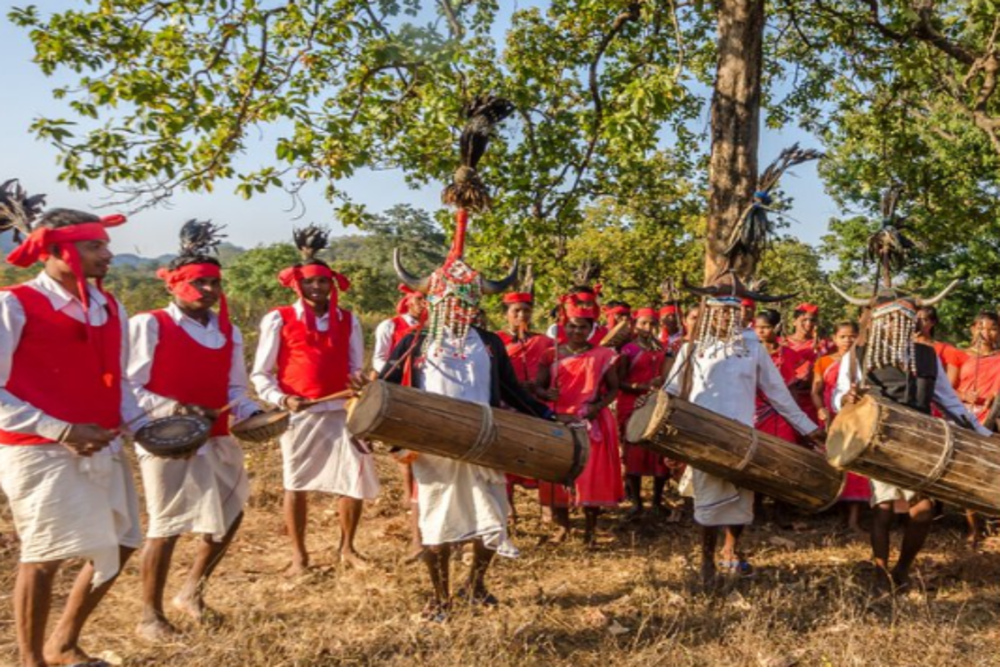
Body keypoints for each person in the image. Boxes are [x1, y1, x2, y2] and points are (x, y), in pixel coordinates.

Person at [0, 184, 148, 667]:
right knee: (44, 556)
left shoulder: (110, 306)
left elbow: (119, 381)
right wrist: (61, 429)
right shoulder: (15, 304)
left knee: (123, 542)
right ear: (60, 250)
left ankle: (64, 642)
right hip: (37, 450)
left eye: (106, 245)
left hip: (101, 445)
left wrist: (144, 425)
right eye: (95, 245)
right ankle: (30, 660)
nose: (108, 254)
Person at [384, 250, 553, 619]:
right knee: (436, 520)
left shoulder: (489, 344)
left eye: (466, 301)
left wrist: (548, 416)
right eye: (450, 299)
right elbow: (387, 386)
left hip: (485, 443)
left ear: (476, 303)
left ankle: (476, 584)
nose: (459, 307)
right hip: (434, 448)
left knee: (494, 514)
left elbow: (511, 391)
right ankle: (440, 597)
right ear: (436, 299)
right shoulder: (416, 341)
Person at [128, 220, 261, 639]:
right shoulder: (149, 325)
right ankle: (149, 615)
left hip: (217, 436)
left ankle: (191, 592)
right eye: (199, 283)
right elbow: (131, 385)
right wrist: (177, 408)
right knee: (166, 526)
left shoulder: (228, 331)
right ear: (174, 285)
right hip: (166, 440)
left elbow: (236, 388)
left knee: (231, 513)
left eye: (214, 284)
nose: (208, 291)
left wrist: (256, 412)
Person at [664, 274, 822, 586]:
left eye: (731, 311)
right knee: (707, 500)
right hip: (703, 434)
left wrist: (809, 428)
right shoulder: (692, 348)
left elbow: (777, 392)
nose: (725, 317)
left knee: (740, 498)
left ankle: (732, 550)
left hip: (742, 433)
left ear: (739, 314)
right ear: (709, 312)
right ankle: (707, 559)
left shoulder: (752, 346)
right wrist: (668, 438)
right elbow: (672, 393)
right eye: (719, 311)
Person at [831, 286, 989, 591]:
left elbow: (950, 403)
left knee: (923, 511)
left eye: (902, 319)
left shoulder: (926, 356)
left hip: (920, 443)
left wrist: (983, 433)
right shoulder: (859, 355)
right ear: (879, 322)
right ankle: (880, 572)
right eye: (888, 320)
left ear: (910, 322)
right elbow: (840, 395)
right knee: (884, 509)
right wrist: (847, 399)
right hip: (879, 441)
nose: (895, 326)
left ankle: (902, 569)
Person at [251, 225, 376, 575]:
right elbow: (261, 373)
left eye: (323, 282)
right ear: (297, 284)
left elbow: (354, 367)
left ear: (331, 284)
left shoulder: (347, 320)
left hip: (341, 411)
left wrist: (359, 382)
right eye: (310, 282)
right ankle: (299, 557)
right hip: (298, 414)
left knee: (353, 479)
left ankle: (347, 548)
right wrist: (281, 399)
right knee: (296, 483)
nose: (317, 287)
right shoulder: (279, 318)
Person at [536, 293, 623, 545]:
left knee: (590, 476)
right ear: (564, 326)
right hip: (557, 418)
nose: (577, 331)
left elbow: (614, 389)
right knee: (558, 474)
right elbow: (538, 387)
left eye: (582, 326)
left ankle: (590, 530)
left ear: (591, 328)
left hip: (590, 420)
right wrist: (545, 392)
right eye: (572, 326)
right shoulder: (550, 354)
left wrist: (598, 406)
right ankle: (562, 528)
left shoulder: (604, 355)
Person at [371, 283, 427, 558]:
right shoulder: (390, 326)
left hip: (424, 392)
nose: (422, 304)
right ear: (407, 300)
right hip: (399, 388)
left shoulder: (434, 327)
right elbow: (380, 358)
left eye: (427, 300)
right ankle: (409, 494)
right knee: (405, 448)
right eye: (418, 299)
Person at [495, 286, 554, 521]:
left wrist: (539, 386)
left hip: (534, 403)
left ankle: (547, 505)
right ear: (506, 314)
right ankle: (508, 506)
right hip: (506, 403)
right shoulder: (496, 340)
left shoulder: (544, 341)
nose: (522, 316)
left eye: (526, 311)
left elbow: (554, 370)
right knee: (506, 453)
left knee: (540, 452)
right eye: (516, 311)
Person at [811, 321, 867, 533]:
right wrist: (820, 409)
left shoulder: (862, 359)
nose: (848, 340)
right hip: (831, 416)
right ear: (834, 339)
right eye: (842, 336)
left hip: (856, 416)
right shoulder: (824, 361)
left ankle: (854, 518)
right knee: (832, 463)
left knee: (855, 465)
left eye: (852, 336)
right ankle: (832, 511)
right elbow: (816, 390)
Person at [617, 307, 672, 518]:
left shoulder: (662, 347)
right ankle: (636, 502)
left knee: (659, 452)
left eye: (652, 324)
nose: (648, 328)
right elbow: (619, 382)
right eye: (643, 323)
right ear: (635, 324)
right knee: (634, 454)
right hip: (632, 404)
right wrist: (643, 386)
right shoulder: (628, 350)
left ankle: (657, 501)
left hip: (656, 403)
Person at [954, 311, 1000, 547]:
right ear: (972, 329)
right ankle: (974, 527)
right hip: (966, 417)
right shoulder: (960, 356)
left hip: (994, 420)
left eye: (992, 328)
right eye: (981, 328)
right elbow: (947, 388)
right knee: (969, 473)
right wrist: (963, 394)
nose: (986, 333)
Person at [753, 310, 802, 445]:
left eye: (766, 327)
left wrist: (794, 412)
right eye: (757, 328)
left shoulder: (789, 354)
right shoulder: (750, 352)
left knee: (784, 446)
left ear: (777, 327)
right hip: (755, 409)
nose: (760, 331)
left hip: (782, 409)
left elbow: (793, 385)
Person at [915, 305, 966, 388]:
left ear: (933, 322)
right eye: (915, 319)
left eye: (924, 320)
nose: (917, 323)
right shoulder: (902, 345)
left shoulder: (946, 350)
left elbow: (949, 385)